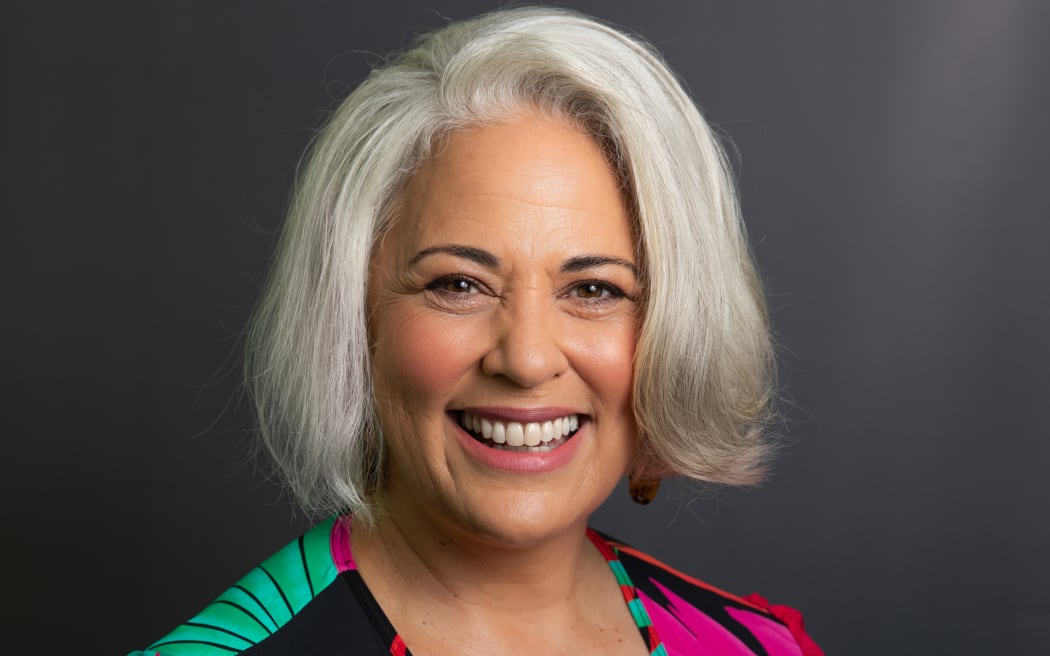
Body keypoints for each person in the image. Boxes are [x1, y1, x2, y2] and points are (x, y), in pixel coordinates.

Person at [130, 7, 822, 655]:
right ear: (354, 316)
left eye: (593, 290)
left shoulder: (757, 644)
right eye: (459, 284)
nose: (526, 359)